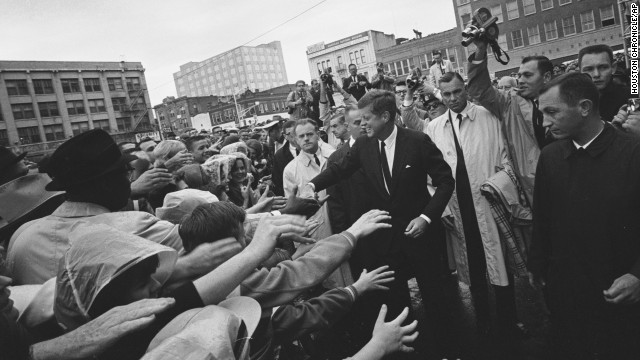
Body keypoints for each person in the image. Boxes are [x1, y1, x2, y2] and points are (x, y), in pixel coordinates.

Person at [302, 89, 455, 355]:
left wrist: (426, 217)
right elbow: (339, 170)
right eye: (359, 119)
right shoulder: (363, 145)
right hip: (387, 241)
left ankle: (446, 350)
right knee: (395, 301)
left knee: (435, 298)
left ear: (385, 116)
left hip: (422, 236)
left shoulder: (417, 141)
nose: (360, 125)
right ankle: (407, 349)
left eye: (366, 119)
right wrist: (312, 184)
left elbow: (445, 182)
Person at [53, 216, 309, 360]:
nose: (158, 286)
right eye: (143, 283)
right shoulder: (140, 329)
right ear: (110, 307)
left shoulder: (138, 322)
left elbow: (191, 295)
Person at [178, 201, 395, 358]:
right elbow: (295, 276)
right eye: (244, 235)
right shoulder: (239, 286)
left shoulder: (190, 275)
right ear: (230, 244)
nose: (249, 239)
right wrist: (352, 234)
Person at [530, 72, 640, 359]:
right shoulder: (551, 156)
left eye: (552, 112)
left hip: (620, 301)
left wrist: (638, 276)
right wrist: (537, 267)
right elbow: (542, 218)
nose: (544, 122)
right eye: (541, 113)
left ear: (584, 107)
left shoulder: (633, 153)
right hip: (566, 300)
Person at [425, 72, 520, 336]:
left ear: (465, 89)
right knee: (474, 263)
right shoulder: (434, 128)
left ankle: (509, 322)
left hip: (489, 201)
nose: (453, 98)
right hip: (458, 206)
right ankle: (484, 323)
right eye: (447, 94)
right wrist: (441, 208)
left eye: (457, 92)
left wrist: (500, 190)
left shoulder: (487, 117)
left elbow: (506, 157)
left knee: (500, 261)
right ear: (441, 95)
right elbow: (429, 175)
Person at [467, 40, 554, 206]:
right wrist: (480, 50)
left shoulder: (567, 100)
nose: (520, 80)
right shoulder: (509, 102)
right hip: (533, 192)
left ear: (547, 77)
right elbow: (480, 89)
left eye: (527, 75)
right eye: (519, 75)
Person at [578, 44, 631, 122]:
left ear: (613, 68)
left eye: (603, 67)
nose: (596, 74)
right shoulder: (573, 102)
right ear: (580, 72)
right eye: (589, 69)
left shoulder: (631, 97)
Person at [272, 120, 299, 196]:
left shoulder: (309, 149)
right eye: (290, 134)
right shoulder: (279, 155)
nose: (295, 136)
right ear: (285, 136)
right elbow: (278, 180)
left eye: (296, 132)